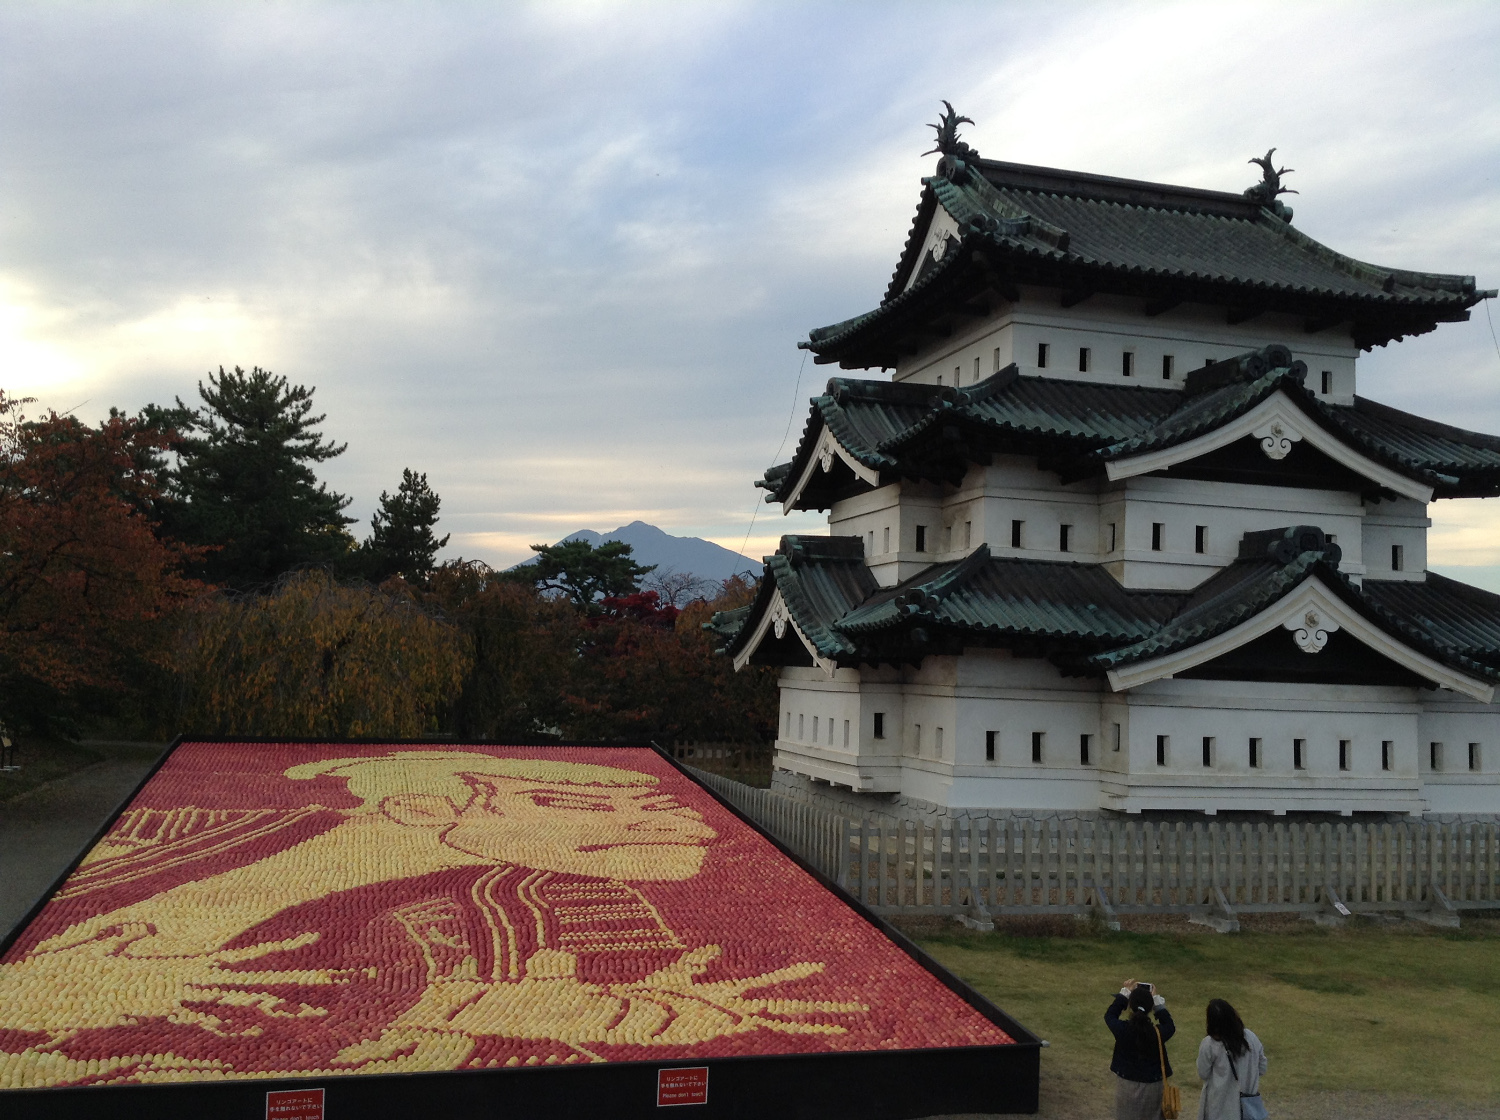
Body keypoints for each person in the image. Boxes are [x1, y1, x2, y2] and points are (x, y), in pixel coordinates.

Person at [0, 750, 867, 1085]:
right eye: (577, 801)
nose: (678, 822)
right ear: (418, 811)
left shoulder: (570, 911)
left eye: (663, 808)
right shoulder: (163, 836)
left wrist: (503, 1020)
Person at [1106, 978, 1176, 1120]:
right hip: (1153, 1086)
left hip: (1127, 1084)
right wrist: (1157, 1002)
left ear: (1130, 1005)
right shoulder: (1157, 1033)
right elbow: (1169, 1025)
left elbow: (1110, 1015)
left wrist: (1124, 994)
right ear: (1150, 1008)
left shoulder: (1123, 1030)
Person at [1196, 998, 1267, 1120]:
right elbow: (1262, 1067)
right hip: (1248, 1108)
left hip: (1219, 1108)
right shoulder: (1250, 1037)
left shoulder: (1210, 1044)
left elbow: (1203, 1073)